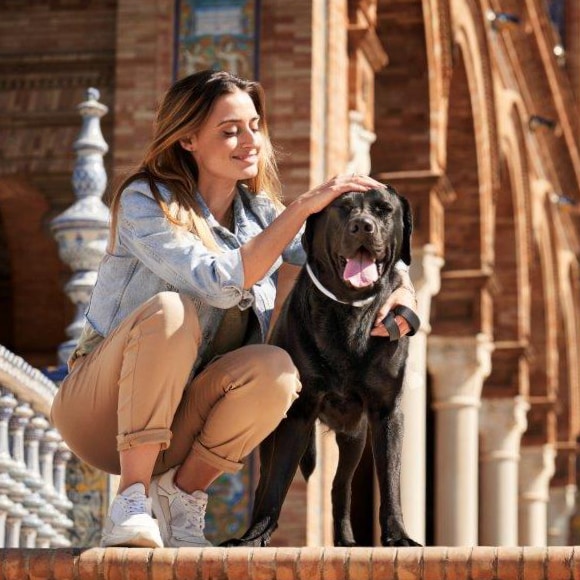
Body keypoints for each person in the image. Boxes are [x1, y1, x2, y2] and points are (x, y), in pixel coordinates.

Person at [50, 69, 417, 549]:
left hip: (178, 425)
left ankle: (180, 498)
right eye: (230, 130)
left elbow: (343, 256)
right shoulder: (147, 200)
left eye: (254, 126)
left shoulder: (260, 216)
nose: (250, 141)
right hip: (99, 414)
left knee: (279, 371)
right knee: (171, 311)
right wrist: (303, 208)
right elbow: (219, 282)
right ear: (187, 139)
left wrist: (404, 286)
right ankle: (131, 500)